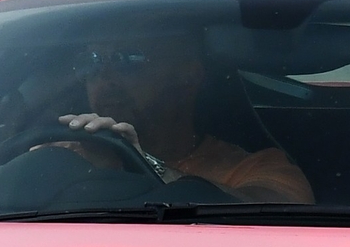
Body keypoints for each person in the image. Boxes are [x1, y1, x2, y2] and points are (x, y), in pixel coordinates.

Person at [50, 28, 313, 203]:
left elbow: (278, 221)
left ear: (187, 75)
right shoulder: (64, 157)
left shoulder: (256, 169)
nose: (105, 78)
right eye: (92, 62)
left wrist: (139, 164)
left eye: (127, 59)